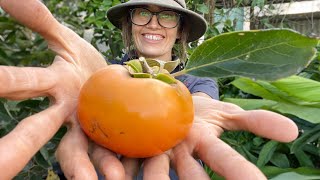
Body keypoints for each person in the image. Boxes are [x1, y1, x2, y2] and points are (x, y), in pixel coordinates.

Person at [0, 0, 299, 179]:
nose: (153, 23)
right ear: (129, 25)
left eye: (167, 15)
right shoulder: (103, 73)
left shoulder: (197, 82)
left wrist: (188, 106)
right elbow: (96, 93)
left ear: (181, 30)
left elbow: (200, 102)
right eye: (142, 13)